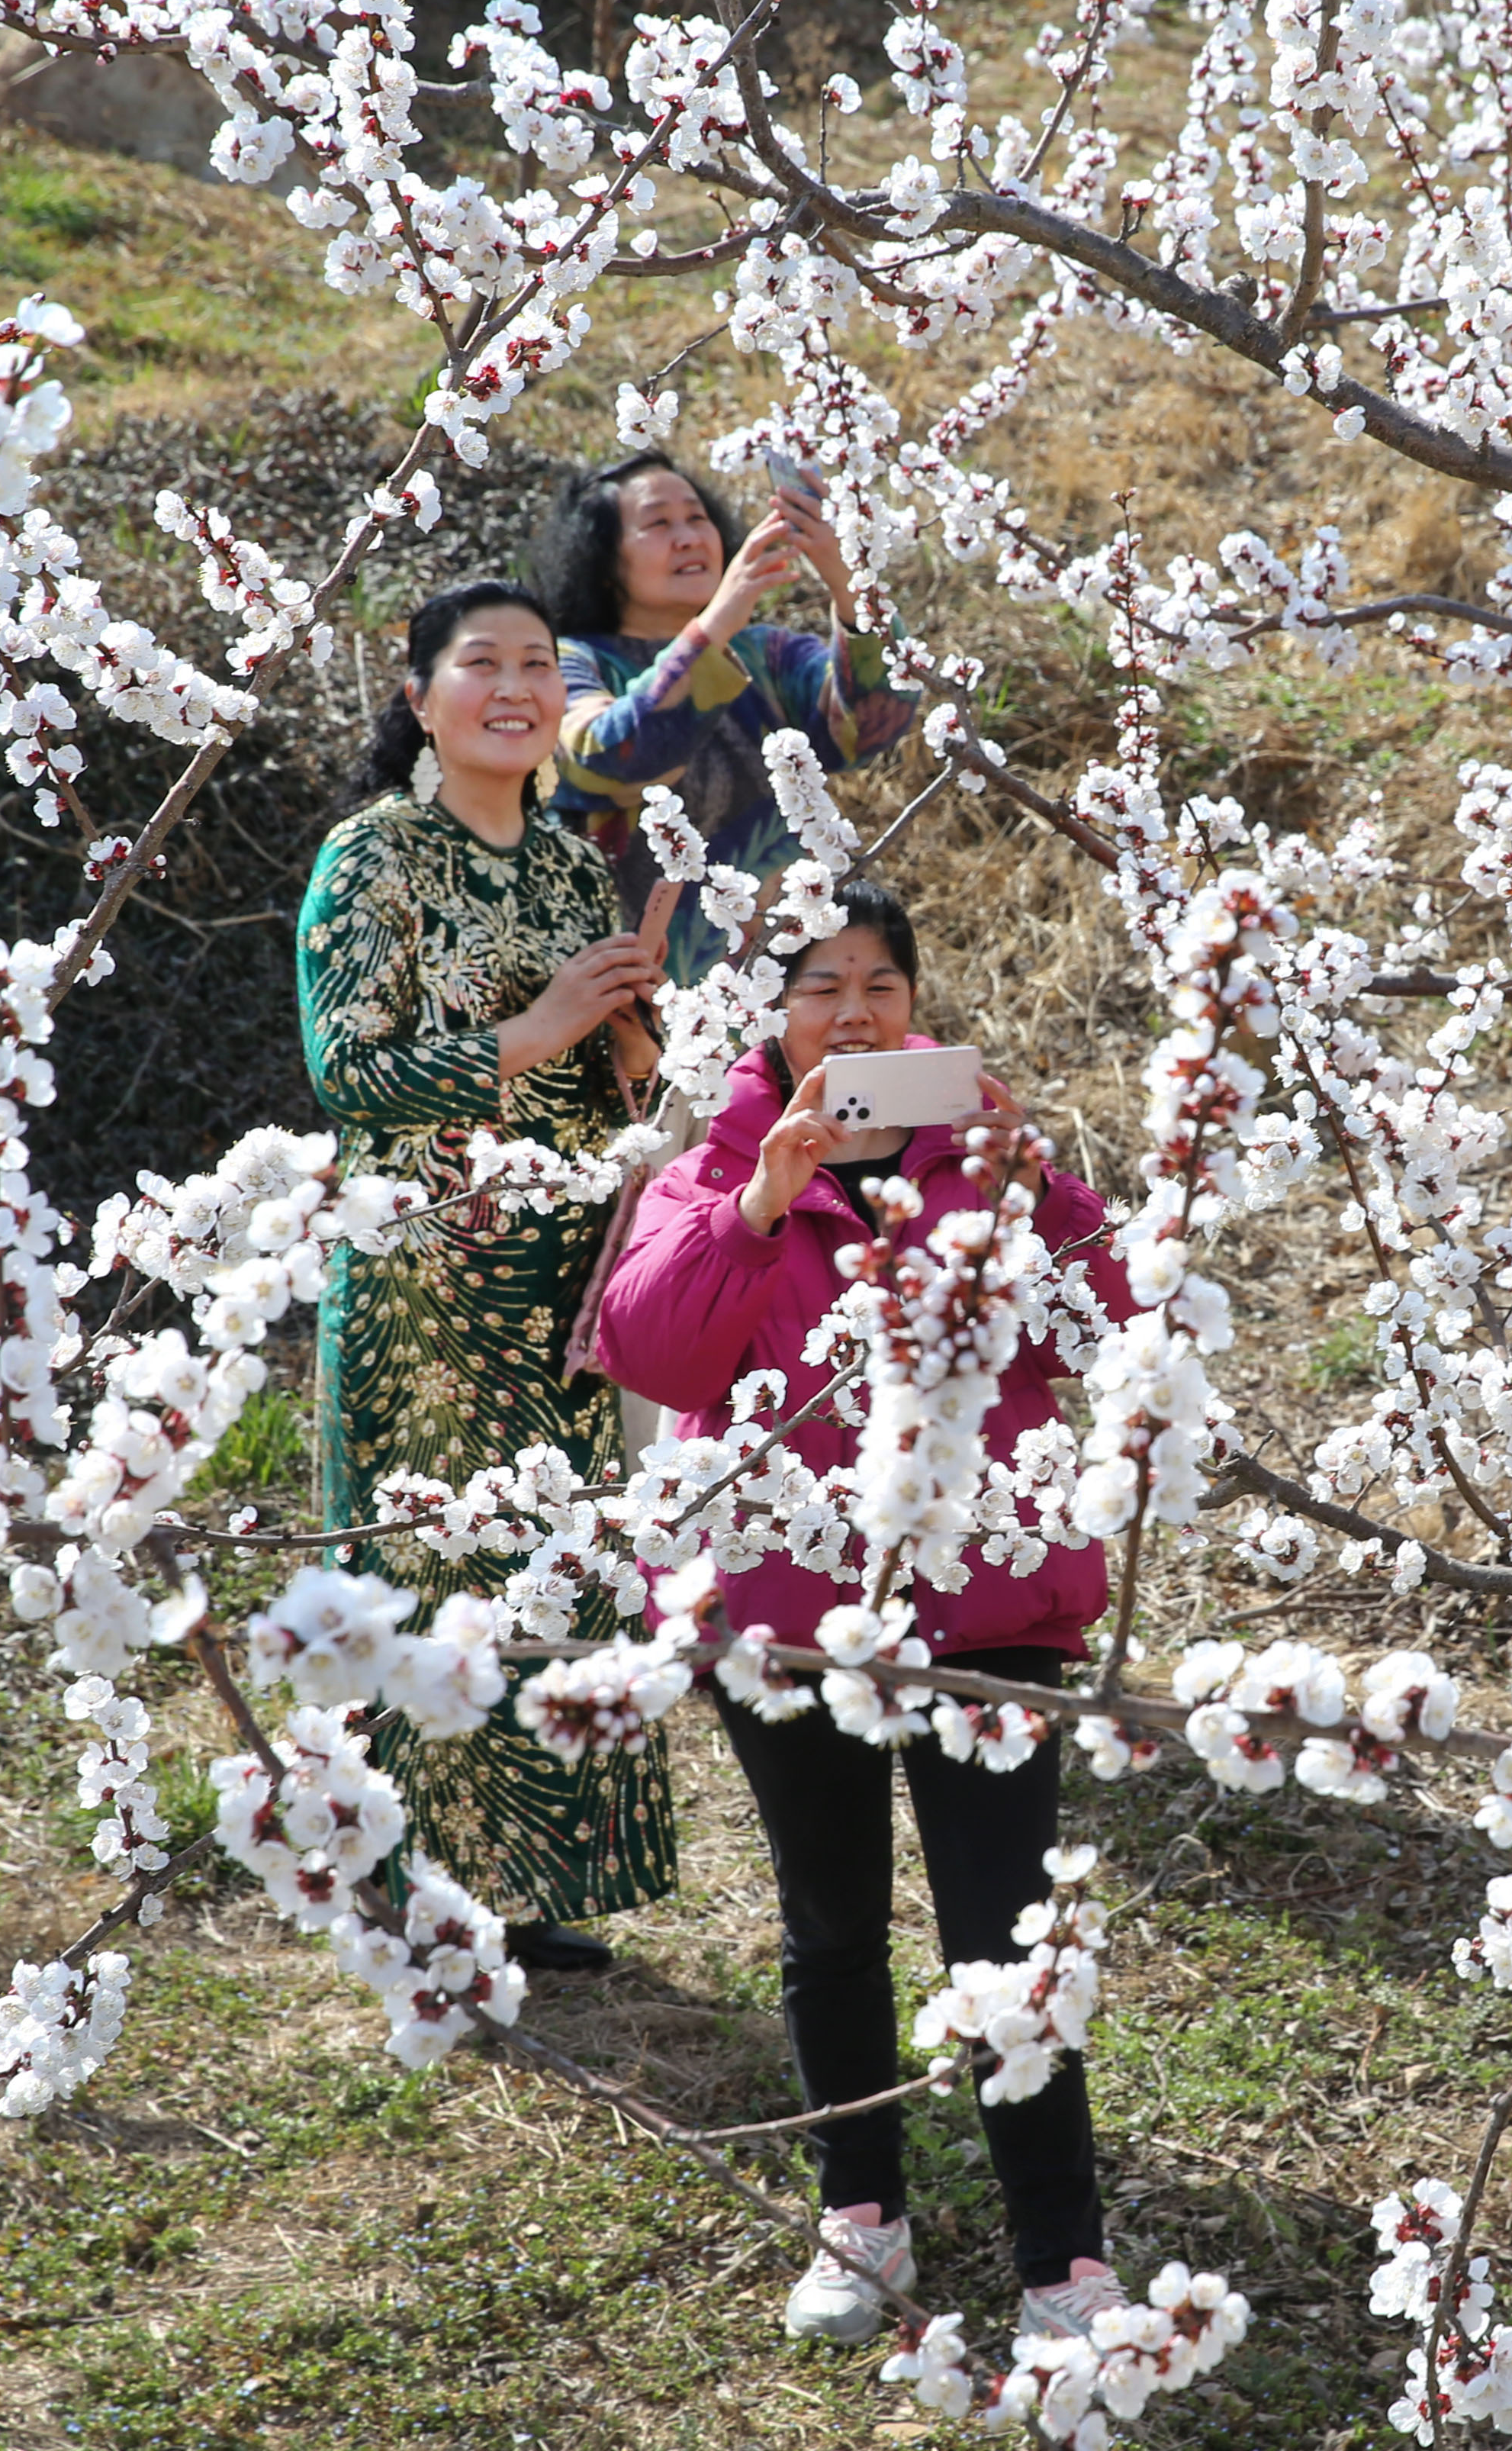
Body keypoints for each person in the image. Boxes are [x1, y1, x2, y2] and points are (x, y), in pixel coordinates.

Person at [589, 879, 1131, 2347]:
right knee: (829, 1924)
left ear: (916, 999)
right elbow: (648, 1344)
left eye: (879, 979)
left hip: (985, 1598)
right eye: (816, 983)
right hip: (781, 1614)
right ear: (767, 1014)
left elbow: (1122, 1329)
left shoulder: (991, 1161)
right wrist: (766, 1198)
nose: (853, 1008)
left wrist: (1041, 1185)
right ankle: (862, 2213)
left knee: (1005, 1930)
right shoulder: (713, 1171)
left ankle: (1061, 2256)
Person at [295, 576, 679, 1977]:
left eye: (539, 665)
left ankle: (533, 1884)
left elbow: (614, 1072)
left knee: (553, 1562)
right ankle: (409, 1881)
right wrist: (536, 1027)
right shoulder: (373, 855)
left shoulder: (580, 864)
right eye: (482, 664)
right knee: (430, 1556)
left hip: (562, 1265)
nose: (515, 688)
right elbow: (350, 1073)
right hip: (424, 1273)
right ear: (419, 697)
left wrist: (638, 1044)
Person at [532, 453, 922, 989]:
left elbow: (874, 724)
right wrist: (711, 628)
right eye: (658, 523)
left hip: (780, 983)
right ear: (601, 557)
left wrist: (846, 577)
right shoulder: (569, 661)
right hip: (634, 991)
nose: (689, 536)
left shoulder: (765, 655)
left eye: (697, 518)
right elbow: (604, 757)